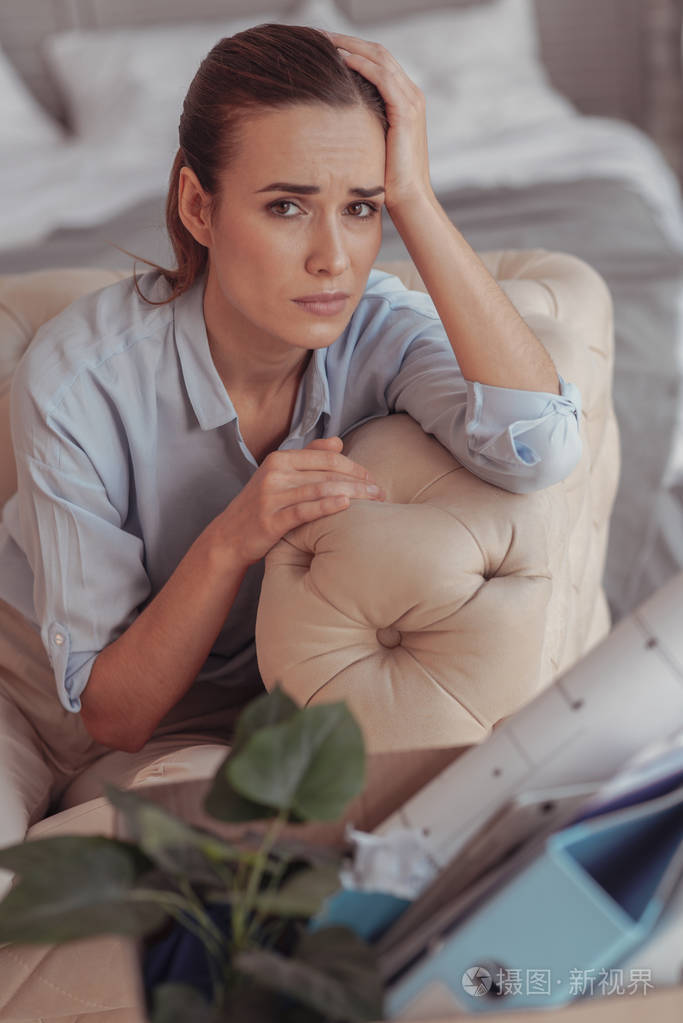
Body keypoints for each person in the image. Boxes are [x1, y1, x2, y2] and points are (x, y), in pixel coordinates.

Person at [0, 24, 581, 862]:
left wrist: (414, 196)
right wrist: (235, 535)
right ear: (200, 207)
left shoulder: (378, 329)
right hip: (24, 691)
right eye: (285, 206)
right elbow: (109, 707)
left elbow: (539, 449)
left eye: (360, 209)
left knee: (239, 879)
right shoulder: (79, 377)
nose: (332, 258)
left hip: (196, 728)